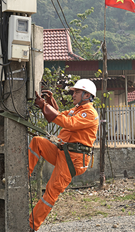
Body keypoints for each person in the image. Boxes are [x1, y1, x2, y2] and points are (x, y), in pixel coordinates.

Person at [28, 79, 99, 231]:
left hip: (74, 159)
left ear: (87, 95)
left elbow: (68, 123)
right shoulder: (77, 110)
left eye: (77, 92)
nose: (73, 94)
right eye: (74, 92)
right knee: (37, 142)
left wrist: (44, 106)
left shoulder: (89, 113)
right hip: (64, 152)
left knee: (51, 191)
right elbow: (60, 116)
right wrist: (49, 102)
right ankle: (23, 175)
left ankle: (31, 226)